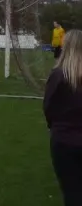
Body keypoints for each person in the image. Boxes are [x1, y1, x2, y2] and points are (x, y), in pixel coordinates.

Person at [43, 29, 82, 205]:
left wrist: (54, 126)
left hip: (64, 140)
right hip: (67, 137)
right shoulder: (59, 75)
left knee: (71, 191)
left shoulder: (58, 75)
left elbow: (49, 108)